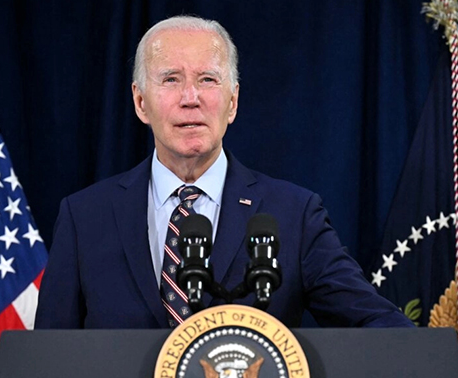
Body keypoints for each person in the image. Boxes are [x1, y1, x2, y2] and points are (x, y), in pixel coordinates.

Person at [35, 15, 412, 329]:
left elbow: (377, 325)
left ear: (232, 103)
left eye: (207, 80)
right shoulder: (84, 218)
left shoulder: (293, 215)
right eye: (170, 79)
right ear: (140, 102)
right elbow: (48, 361)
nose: (190, 98)